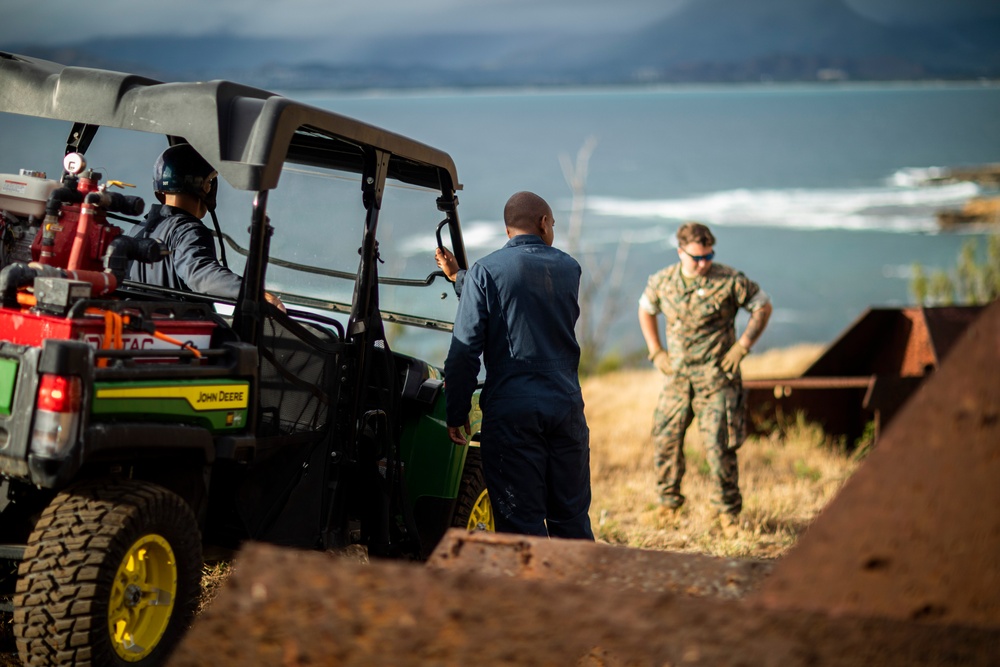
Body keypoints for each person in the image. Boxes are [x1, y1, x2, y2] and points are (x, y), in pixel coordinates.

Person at [444, 191, 594, 540]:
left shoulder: (485, 272)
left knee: (520, 526)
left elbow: (464, 352)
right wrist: (460, 278)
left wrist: (457, 411)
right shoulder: (569, 268)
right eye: (553, 223)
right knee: (571, 519)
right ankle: (581, 593)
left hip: (513, 413)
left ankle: (532, 594)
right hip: (565, 405)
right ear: (543, 223)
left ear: (507, 228)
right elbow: (526, 293)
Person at [637, 221, 771, 532]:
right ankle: (667, 506)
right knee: (666, 440)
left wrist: (743, 347)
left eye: (708, 257)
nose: (703, 264)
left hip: (717, 379)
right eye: (697, 258)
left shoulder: (729, 280)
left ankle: (727, 514)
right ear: (680, 251)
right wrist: (656, 350)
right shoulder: (663, 281)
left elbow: (762, 307)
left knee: (718, 445)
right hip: (678, 379)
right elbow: (645, 309)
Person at [129, 143, 283, 310]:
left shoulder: (138, 230)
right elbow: (201, 274)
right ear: (205, 187)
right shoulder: (188, 230)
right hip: (183, 332)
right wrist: (254, 293)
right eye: (210, 181)